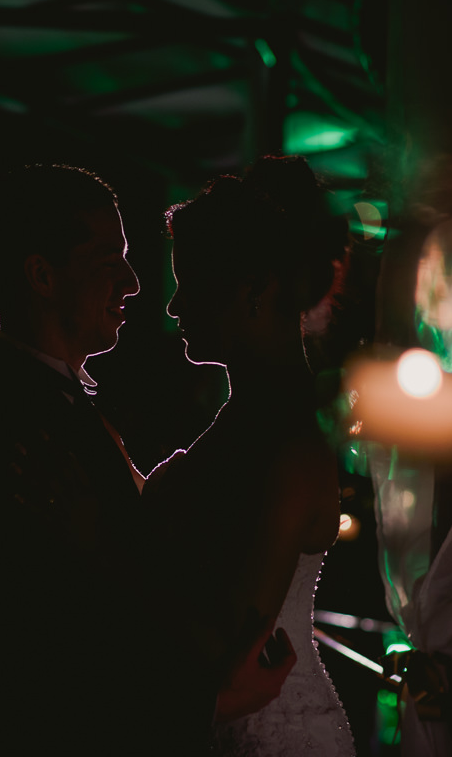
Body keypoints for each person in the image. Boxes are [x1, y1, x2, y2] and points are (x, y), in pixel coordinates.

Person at [0, 163, 288, 754]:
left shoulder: (54, 401)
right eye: (107, 260)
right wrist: (211, 704)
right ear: (42, 275)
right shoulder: (17, 422)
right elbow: (39, 647)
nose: (134, 283)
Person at [142, 155, 355, 756]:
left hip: (268, 732)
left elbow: (234, 642)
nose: (174, 306)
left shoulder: (289, 445)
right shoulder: (247, 421)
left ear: (255, 287)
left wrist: (96, 541)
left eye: (190, 282)